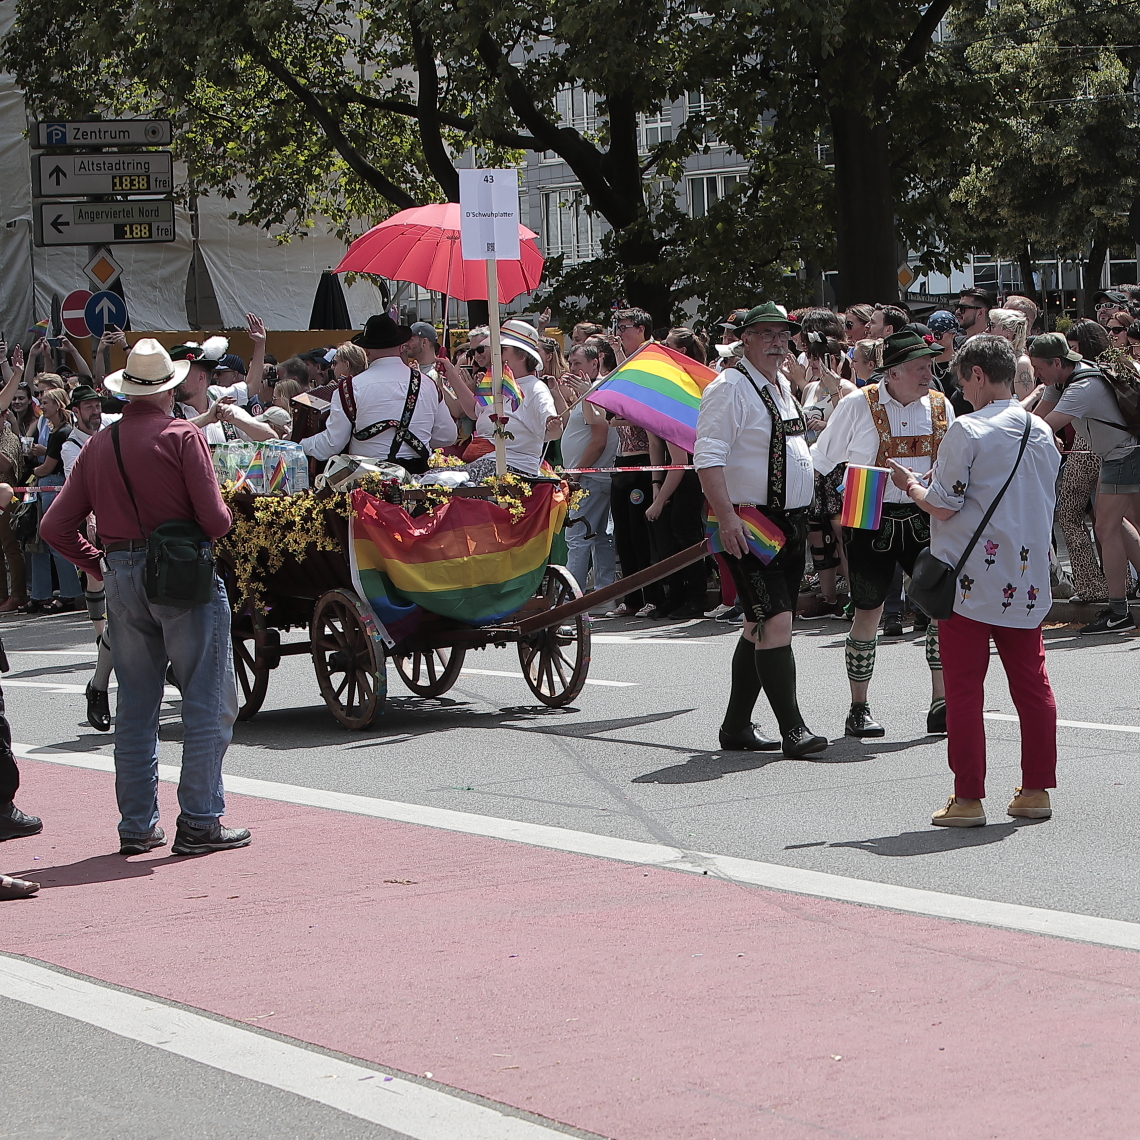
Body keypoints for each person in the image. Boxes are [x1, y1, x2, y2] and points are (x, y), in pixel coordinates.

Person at [39, 339, 249, 857]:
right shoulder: (181, 435)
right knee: (206, 698)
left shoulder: (97, 445)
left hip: (121, 574)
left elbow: (54, 527)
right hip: (182, 578)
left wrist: (98, 563)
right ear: (170, 387)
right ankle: (200, 821)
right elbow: (216, 522)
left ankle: (137, 824)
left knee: (136, 705)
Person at [888, 335, 1059, 828]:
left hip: (969, 581)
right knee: (1032, 686)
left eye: (962, 381)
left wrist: (911, 485)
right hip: (1026, 579)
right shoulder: (1041, 432)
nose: (961, 391)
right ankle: (1034, 789)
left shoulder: (968, 429)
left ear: (979, 375)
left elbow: (944, 503)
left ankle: (968, 798)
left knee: (964, 689)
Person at [694, 302, 826, 759]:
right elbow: (707, 456)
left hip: (788, 523)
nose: (777, 342)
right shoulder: (729, 388)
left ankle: (735, 727)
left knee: (756, 624)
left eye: (783, 334)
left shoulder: (782, 386)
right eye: (766, 333)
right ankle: (794, 730)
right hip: (749, 523)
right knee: (776, 621)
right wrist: (727, 517)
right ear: (745, 339)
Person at [811, 329, 953, 737]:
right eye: (919, 367)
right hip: (866, 509)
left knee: (940, 610)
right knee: (868, 610)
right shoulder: (858, 403)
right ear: (892, 372)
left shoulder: (941, 406)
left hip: (924, 514)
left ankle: (941, 703)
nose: (928, 372)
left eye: (929, 365)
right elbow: (822, 459)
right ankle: (859, 707)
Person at [1031, 332, 1140, 633]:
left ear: (1056, 362)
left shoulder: (1083, 387)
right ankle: (1121, 609)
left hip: (1125, 454)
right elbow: (1033, 420)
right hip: (1117, 455)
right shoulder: (1061, 381)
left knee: (1105, 527)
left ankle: (1119, 613)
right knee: (1114, 525)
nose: (1036, 374)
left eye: (1038, 367)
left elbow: (1043, 426)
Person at [303, 315, 455, 475]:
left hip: (368, 487)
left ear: (367, 350)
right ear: (400, 346)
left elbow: (331, 444)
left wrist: (300, 444)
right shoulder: (428, 384)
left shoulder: (350, 388)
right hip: (417, 484)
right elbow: (447, 436)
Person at [468, 320, 562, 479]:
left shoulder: (536, 388)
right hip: (489, 463)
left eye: (502, 349)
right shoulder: (497, 383)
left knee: (439, 484)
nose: (495, 355)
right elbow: (474, 411)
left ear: (522, 356)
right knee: (433, 480)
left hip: (514, 469)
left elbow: (554, 431)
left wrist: (553, 424)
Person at [562, 342, 619, 595]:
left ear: (595, 363)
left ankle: (571, 600)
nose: (572, 368)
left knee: (577, 538)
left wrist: (576, 472)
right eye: (571, 363)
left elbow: (599, 440)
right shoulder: (590, 392)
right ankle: (603, 594)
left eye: (578, 363)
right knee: (597, 537)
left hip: (589, 477)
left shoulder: (596, 390)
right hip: (591, 476)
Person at [25, 387, 84, 614]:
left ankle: (69, 594)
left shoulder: (63, 432)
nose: (41, 404)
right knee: (38, 542)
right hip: (44, 488)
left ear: (58, 405)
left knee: (54, 540)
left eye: (46, 401)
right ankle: (40, 594)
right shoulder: (51, 430)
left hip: (53, 486)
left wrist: (33, 471)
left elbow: (48, 466)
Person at [986, 309, 1034, 398]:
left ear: (1009, 333)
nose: (987, 330)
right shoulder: (996, 360)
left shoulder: (1021, 363)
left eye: (992, 326)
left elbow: (1025, 407)